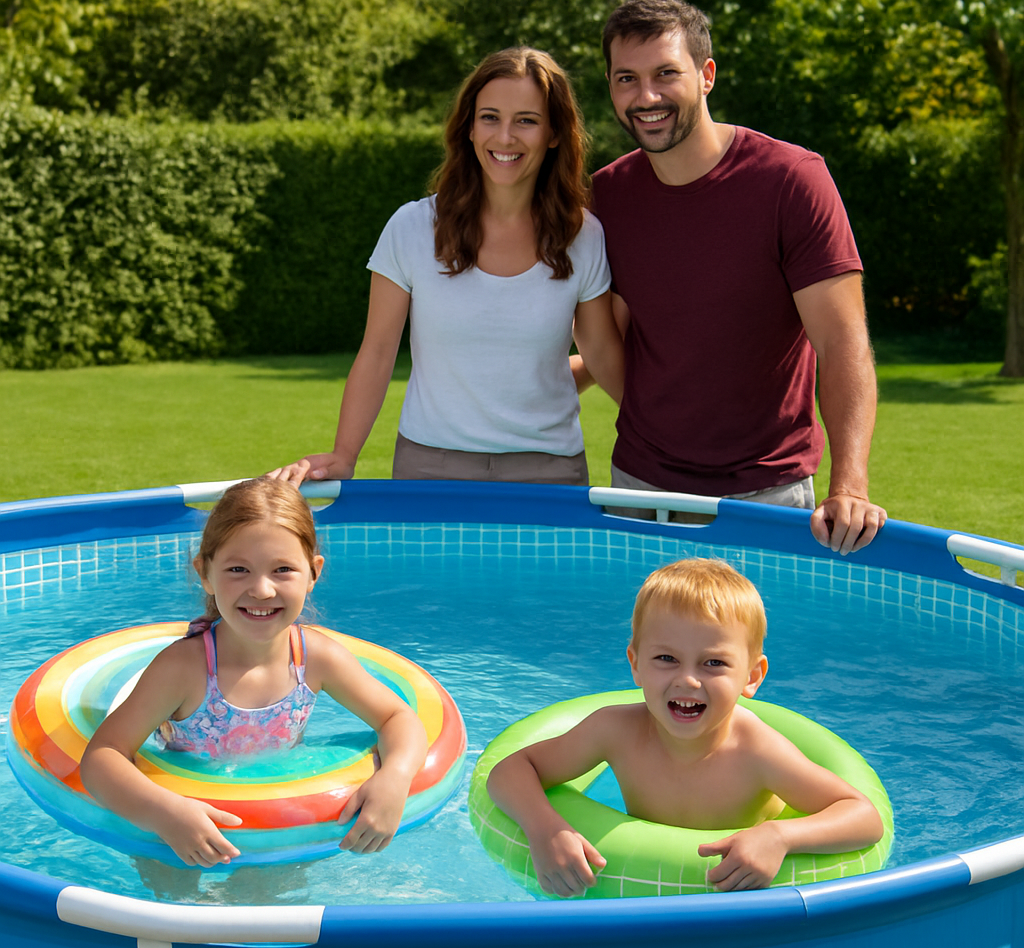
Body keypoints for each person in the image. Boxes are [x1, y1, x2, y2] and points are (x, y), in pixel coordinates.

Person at [580, 0, 886, 555]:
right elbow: (610, 337)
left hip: (766, 493)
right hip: (639, 489)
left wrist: (850, 482)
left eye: (665, 74)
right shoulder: (607, 197)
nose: (645, 97)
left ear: (707, 75)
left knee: (756, 647)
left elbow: (842, 342)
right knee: (640, 648)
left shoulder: (792, 181)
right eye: (626, 79)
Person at [271, 47, 623, 488]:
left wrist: (667, 431)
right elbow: (377, 352)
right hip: (429, 469)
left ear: (554, 133)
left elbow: (603, 354)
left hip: (549, 472)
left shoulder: (583, 235)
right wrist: (345, 454)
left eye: (527, 120)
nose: (506, 137)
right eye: (490, 117)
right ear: (469, 128)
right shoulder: (412, 227)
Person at [81, 476, 428, 868]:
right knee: (180, 915)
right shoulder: (184, 668)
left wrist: (395, 777)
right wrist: (163, 812)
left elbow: (398, 717)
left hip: (277, 824)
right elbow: (103, 757)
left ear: (313, 573)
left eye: (282, 569)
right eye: (238, 570)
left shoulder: (315, 658)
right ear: (205, 573)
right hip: (181, 832)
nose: (261, 590)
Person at [487, 558, 883, 898]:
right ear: (636, 663)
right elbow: (510, 771)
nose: (688, 681)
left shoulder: (757, 750)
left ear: (752, 676)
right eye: (666, 658)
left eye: (713, 663)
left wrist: (780, 836)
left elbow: (862, 816)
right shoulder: (615, 730)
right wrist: (546, 828)